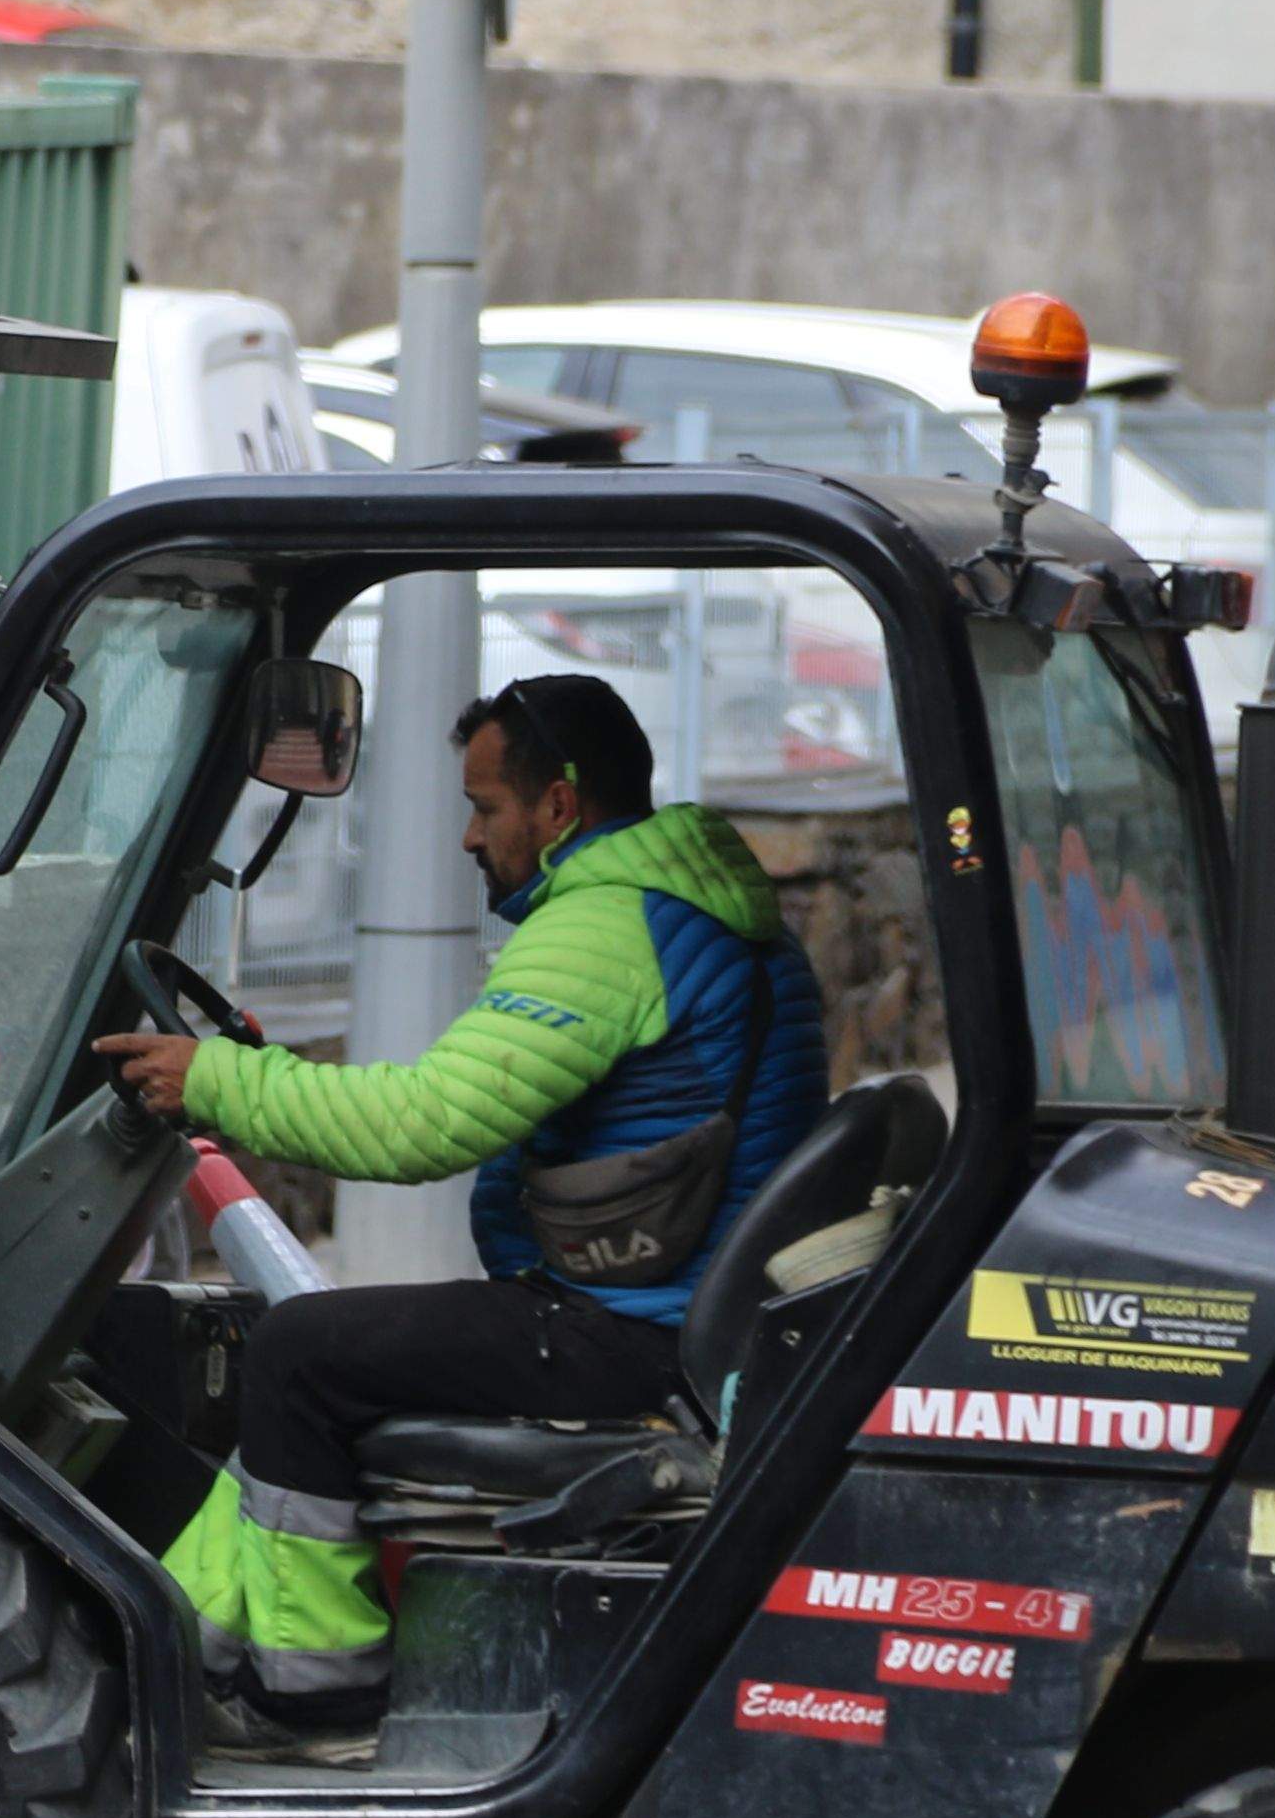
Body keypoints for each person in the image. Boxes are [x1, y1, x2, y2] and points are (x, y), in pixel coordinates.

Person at [92, 673, 825, 1747]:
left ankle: (310, 1696)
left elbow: (422, 1125)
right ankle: (176, 1642)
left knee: (300, 1351)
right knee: (311, 1353)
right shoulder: (707, 911)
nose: (471, 839)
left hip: (630, 1330)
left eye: (486, 808)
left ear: (560, 807)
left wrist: (216, 1085)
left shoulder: (608, 930)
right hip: (674, 1307)